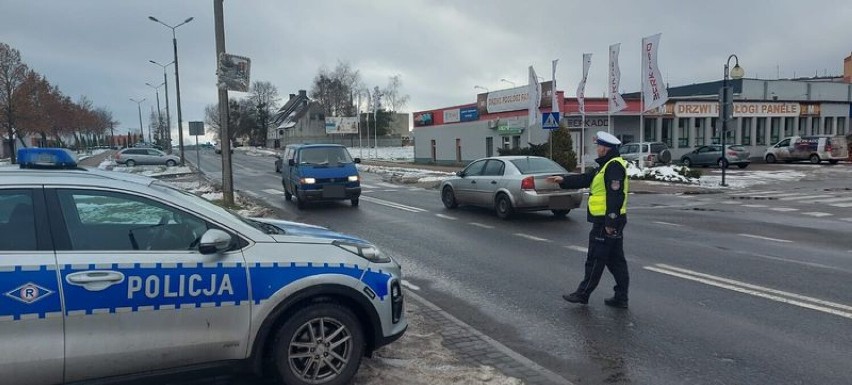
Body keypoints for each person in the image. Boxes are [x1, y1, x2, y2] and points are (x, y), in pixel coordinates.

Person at [546, 131, 630, 308]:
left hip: (605, 221)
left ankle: (583, 294)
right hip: (609, 220)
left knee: (595, 258)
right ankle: (621, 297)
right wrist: (563, 180)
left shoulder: (613, 166)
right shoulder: (605, 165)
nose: (597, 149)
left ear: (605, 148)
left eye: (599, 146)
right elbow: (586, 179)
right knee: (615, 261)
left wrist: (610, 222)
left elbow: (616, 196)